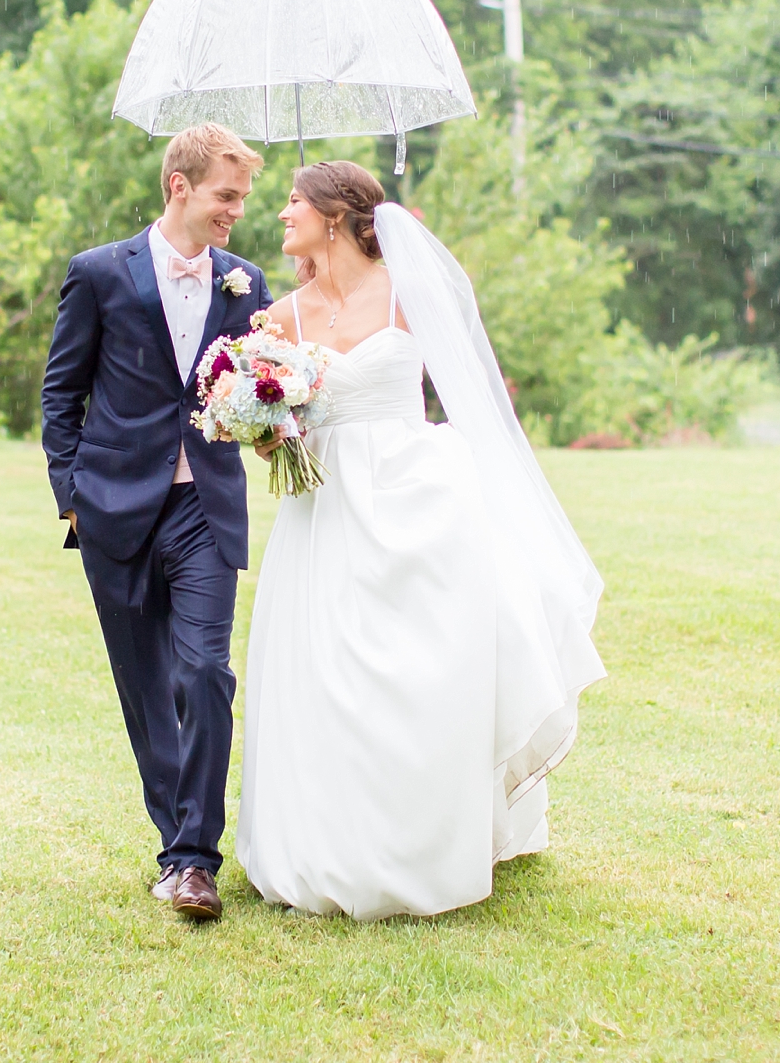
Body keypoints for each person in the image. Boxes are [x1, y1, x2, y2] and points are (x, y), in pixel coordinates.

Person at [236, 161, 606, 920]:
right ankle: (328, 842)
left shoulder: (409, 289)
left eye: (294, 201)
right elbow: (270, 445)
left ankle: (431, 836)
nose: (281, 214)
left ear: (335, 215)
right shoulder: (279, 320)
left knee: (424, 666)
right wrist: (264, 424)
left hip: (417, 493)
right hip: (326, 506)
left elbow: (472, 388)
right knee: (328, 669)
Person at [40, 122, 275, 921]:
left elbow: (265, 382)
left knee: (205, 671)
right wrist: (70, 492)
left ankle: (193, 859)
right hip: (114, 508)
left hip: (205, 507)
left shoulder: (247, 281)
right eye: (225, 196)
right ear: (180, 186)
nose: (236, 213)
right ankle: (175, 842)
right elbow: (60, 392)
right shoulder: (99, 274)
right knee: (147, 691)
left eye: (242, 199)